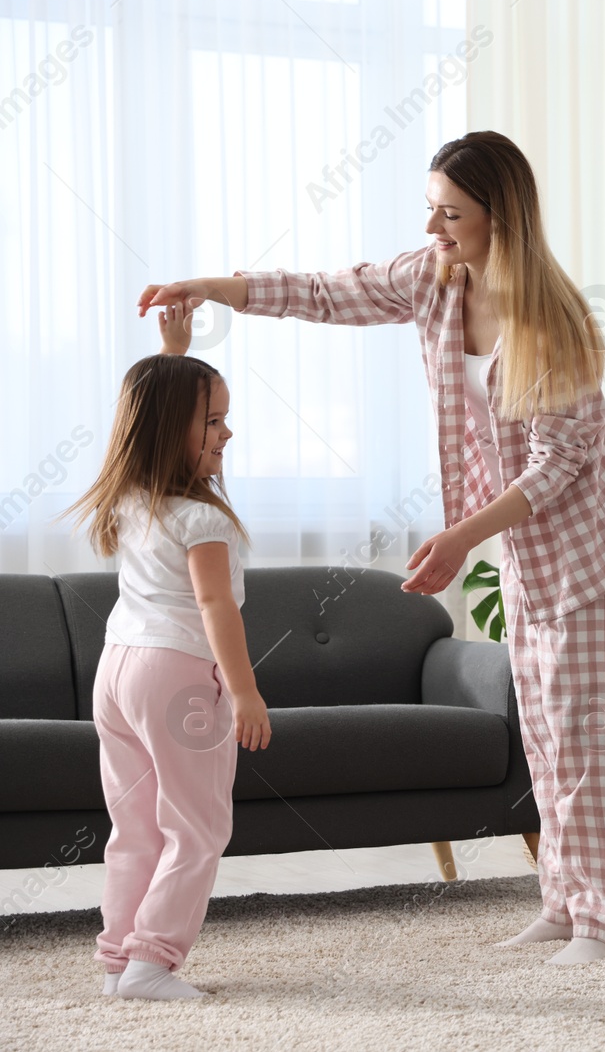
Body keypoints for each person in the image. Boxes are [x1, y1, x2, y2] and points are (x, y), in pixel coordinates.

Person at [137, 131, 605, 965]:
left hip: (592, 543)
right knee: (547, 734)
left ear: (503, 218)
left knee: (589, 733)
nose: (433, 226)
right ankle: (566, 904)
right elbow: (326, 291)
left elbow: (561, 463)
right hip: (526, 547)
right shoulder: (435, 280)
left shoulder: (554, 319)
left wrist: (460, 536)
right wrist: (214, 288)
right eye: (431, 207)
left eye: (451, 212)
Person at [65, 308, 271, 1000]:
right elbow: (216, 608)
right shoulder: (203, 517)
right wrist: (243, 692)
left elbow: (151, 404)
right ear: (175, 429)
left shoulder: (131, 495)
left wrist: (173, 352)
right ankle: (154, 961)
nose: (228, 432)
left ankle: (120, 961)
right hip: (177, 675)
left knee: (136, 825)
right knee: (198, 824)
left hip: (118, 668)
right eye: (213, 420)